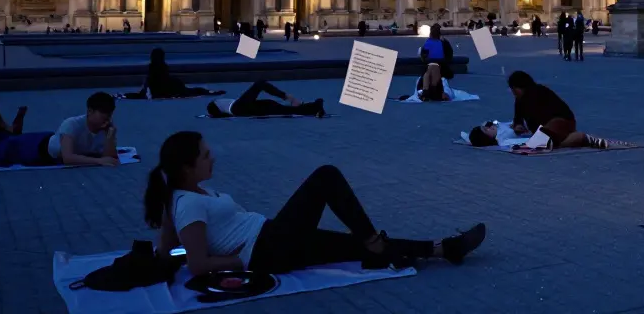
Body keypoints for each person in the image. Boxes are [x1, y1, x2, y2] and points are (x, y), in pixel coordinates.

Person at [144, 131, 487, 276]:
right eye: (205, 155)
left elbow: (168, 250)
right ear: (187, 167)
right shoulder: (187, 203)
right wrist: (238, 260)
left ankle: (444, 249)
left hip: (272, 238)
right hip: (265, 248)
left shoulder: (179, 198)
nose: (213, 157)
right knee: (325, 177)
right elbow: (198, 264)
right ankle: (372, 238)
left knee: (354, 248)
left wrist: (159, 257)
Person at [506, 71, 607, 149]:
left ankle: (580, 138)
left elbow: (542, 117)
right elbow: (518, 118)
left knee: (543, 143)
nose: (513, 92)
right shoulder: (519, 100)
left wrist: (539, 133)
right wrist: (518, 125)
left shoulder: (538, 92)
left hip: (560, 120)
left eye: (514, 88)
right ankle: (577, 137)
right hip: (550, 125)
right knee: (546, 143)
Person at [47, 92, 120, 166]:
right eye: (103, 112)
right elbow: (67, 158)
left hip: (82, 150)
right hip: (48, 151)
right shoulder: (71, 124)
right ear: (90, 111)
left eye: (110, 114)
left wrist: (110, 137)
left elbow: (110, 159)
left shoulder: (108, 126)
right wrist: (99, 161)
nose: (107, 118)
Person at [125, 48, 224, 99]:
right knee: (194, 90)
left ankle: (209, 92)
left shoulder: (151, 68)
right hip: (170, 87)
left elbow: (147, 85)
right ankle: (210, 92)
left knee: (192, 90)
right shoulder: (164, 67)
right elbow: (164, 79)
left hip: (161, 89)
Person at [207, 81, 325, 118]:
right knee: (259, 84)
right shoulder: (213, 105)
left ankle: (314, 108)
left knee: (281, 109)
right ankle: (289, 98)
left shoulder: (216, 105)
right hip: (237, 108)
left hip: (242, 109)